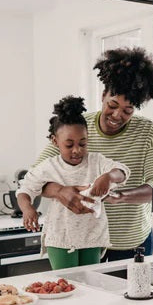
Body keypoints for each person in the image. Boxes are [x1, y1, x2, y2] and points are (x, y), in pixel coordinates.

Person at [33, 47, 153, 260]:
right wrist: (59, 191)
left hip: (130, 244)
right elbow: (35, 176)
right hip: (83, 242)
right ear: (103, 95)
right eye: (112, 105)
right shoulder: (79, 128)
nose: (117, 115)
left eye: (127, 110)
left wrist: (121, 196)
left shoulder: (147, 131)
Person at [17, 96, 129, 270]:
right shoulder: (49, 166)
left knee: (90, 285)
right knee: (67, 286)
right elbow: (25, 188)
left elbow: (122, 170)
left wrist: (109, 177)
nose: (77, 150)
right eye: (69, 145)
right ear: (55, 141)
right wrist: (27, 208)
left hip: (92, 236)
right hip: (60, 239)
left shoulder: (96, 161)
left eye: (82, 143)